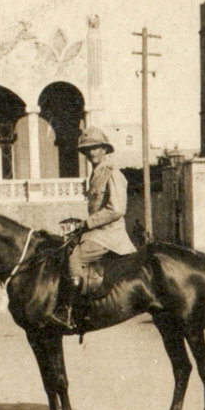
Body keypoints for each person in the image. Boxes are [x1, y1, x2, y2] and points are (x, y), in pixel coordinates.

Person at [50, 126, 136, 331]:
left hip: (109, 235)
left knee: (74, 259)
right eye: (88, 149)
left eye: (96, 148)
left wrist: (87, 224)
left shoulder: (113, 174)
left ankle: (69, 312)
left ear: (105, 149)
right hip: (97, 232)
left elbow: (116, 209)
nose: (92, 153)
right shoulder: (96, 174)